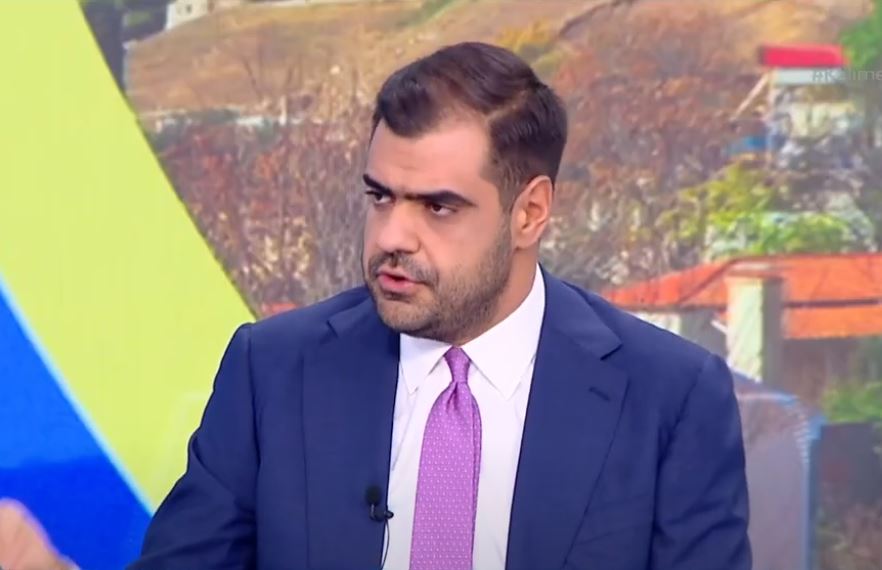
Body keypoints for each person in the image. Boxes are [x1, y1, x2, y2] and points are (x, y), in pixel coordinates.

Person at [0, 41, 751, 570]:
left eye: (438, 207)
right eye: (381, 197)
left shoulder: (670, 397)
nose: (392, 236)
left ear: (529, 213)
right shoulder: (274, 371)